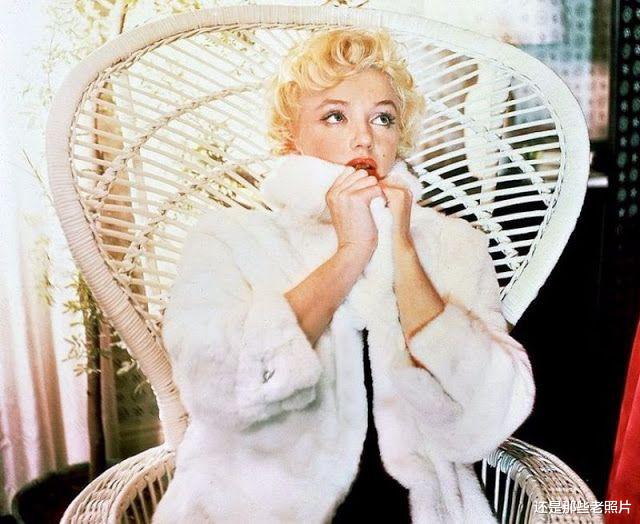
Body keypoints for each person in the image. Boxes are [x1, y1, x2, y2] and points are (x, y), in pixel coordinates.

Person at [153, 28, 535, 524]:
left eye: (383, 118)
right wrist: (351, 253)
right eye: (335, 116)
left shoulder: (454, 244)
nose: (364, 138)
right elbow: (216, 393)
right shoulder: (227, 239)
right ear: (291, 136)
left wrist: (401, 250)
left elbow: (490, 416)